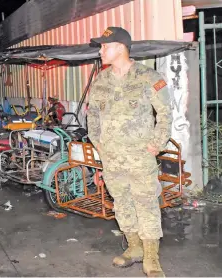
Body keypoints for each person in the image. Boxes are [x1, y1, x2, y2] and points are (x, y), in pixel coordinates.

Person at [87, 27, 173, 277]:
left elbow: (166, 114)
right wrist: (98, 142)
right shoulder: (101, 81)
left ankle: (151, 258)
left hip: (139, 157)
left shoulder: (148, 77)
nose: (101, 50)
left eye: (105, 45)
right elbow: (92, 115)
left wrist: (157, 143)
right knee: (122, 204)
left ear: (121, 47)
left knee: (146, 204)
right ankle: (134, 249)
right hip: (112, 158)